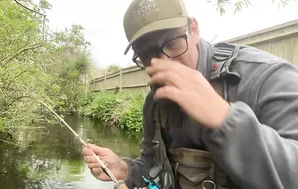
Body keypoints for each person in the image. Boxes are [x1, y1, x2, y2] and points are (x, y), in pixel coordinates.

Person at [83, 0, 298, 188]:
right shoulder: (155, 103)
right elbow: (153, 165)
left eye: (172, 44)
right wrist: (126, 170)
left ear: (193, 30)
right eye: (147, 54)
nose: (163, 62)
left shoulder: (266, 77)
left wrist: (225, 119)